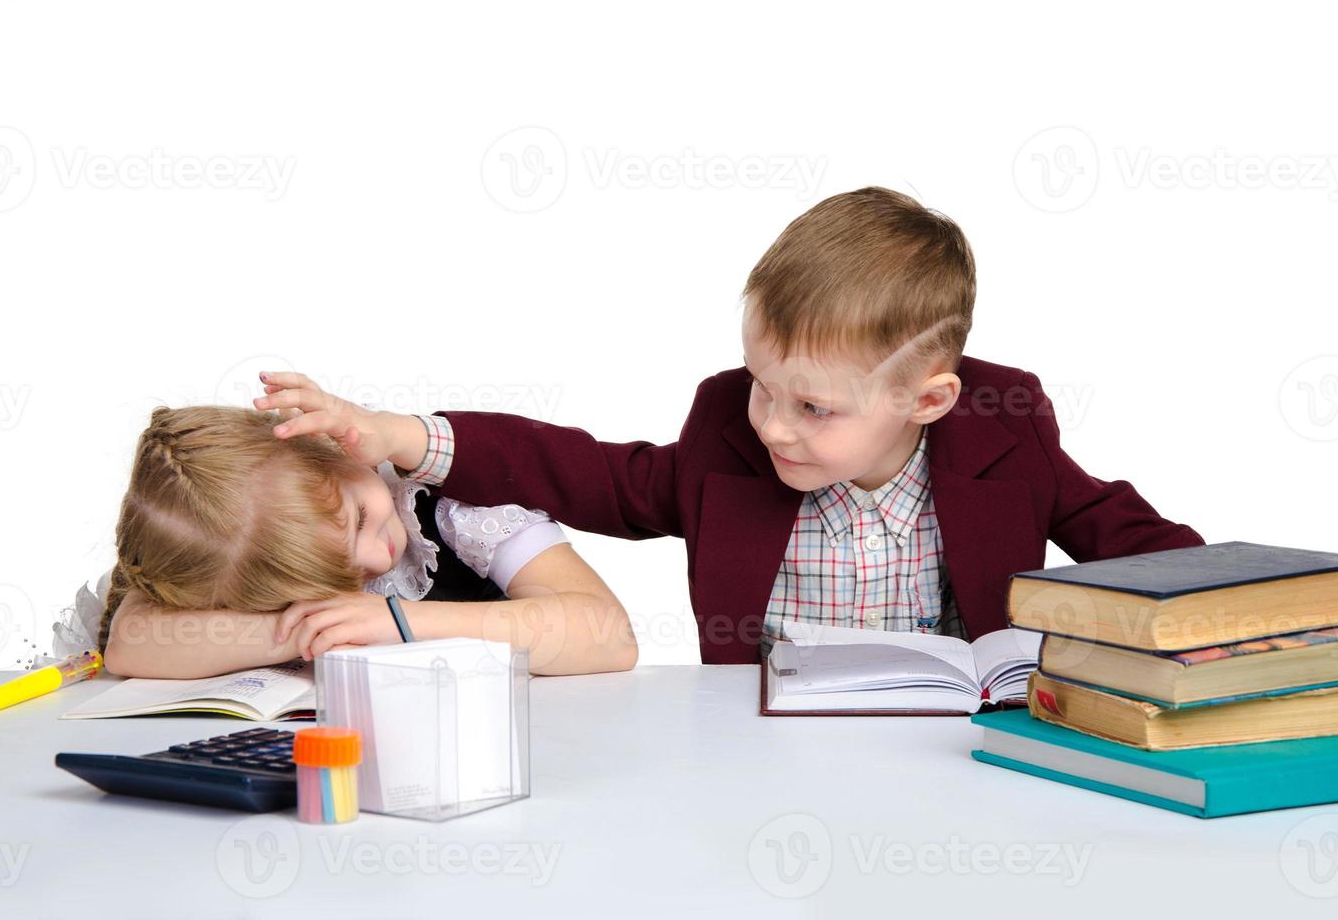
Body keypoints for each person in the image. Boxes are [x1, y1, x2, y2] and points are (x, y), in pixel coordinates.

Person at [258, 186, 1204, 664]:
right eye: (762, 384)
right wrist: (397, 434)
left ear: (928, 401)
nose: (775, 427)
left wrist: (1238, 607)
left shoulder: (1008, 426)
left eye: (814, 407)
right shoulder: (729, 427)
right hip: (763, 743)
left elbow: (1115, 530)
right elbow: (591, 474)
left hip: (953, 745)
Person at [68, 403, 636, 678]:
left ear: (336, 447)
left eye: (359, 517)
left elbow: (609, 637)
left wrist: (395, 621)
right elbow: (131, 641)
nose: (374, 556)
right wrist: (310, 629)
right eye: (333, 571)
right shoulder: (250, 548)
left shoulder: (453, 498)